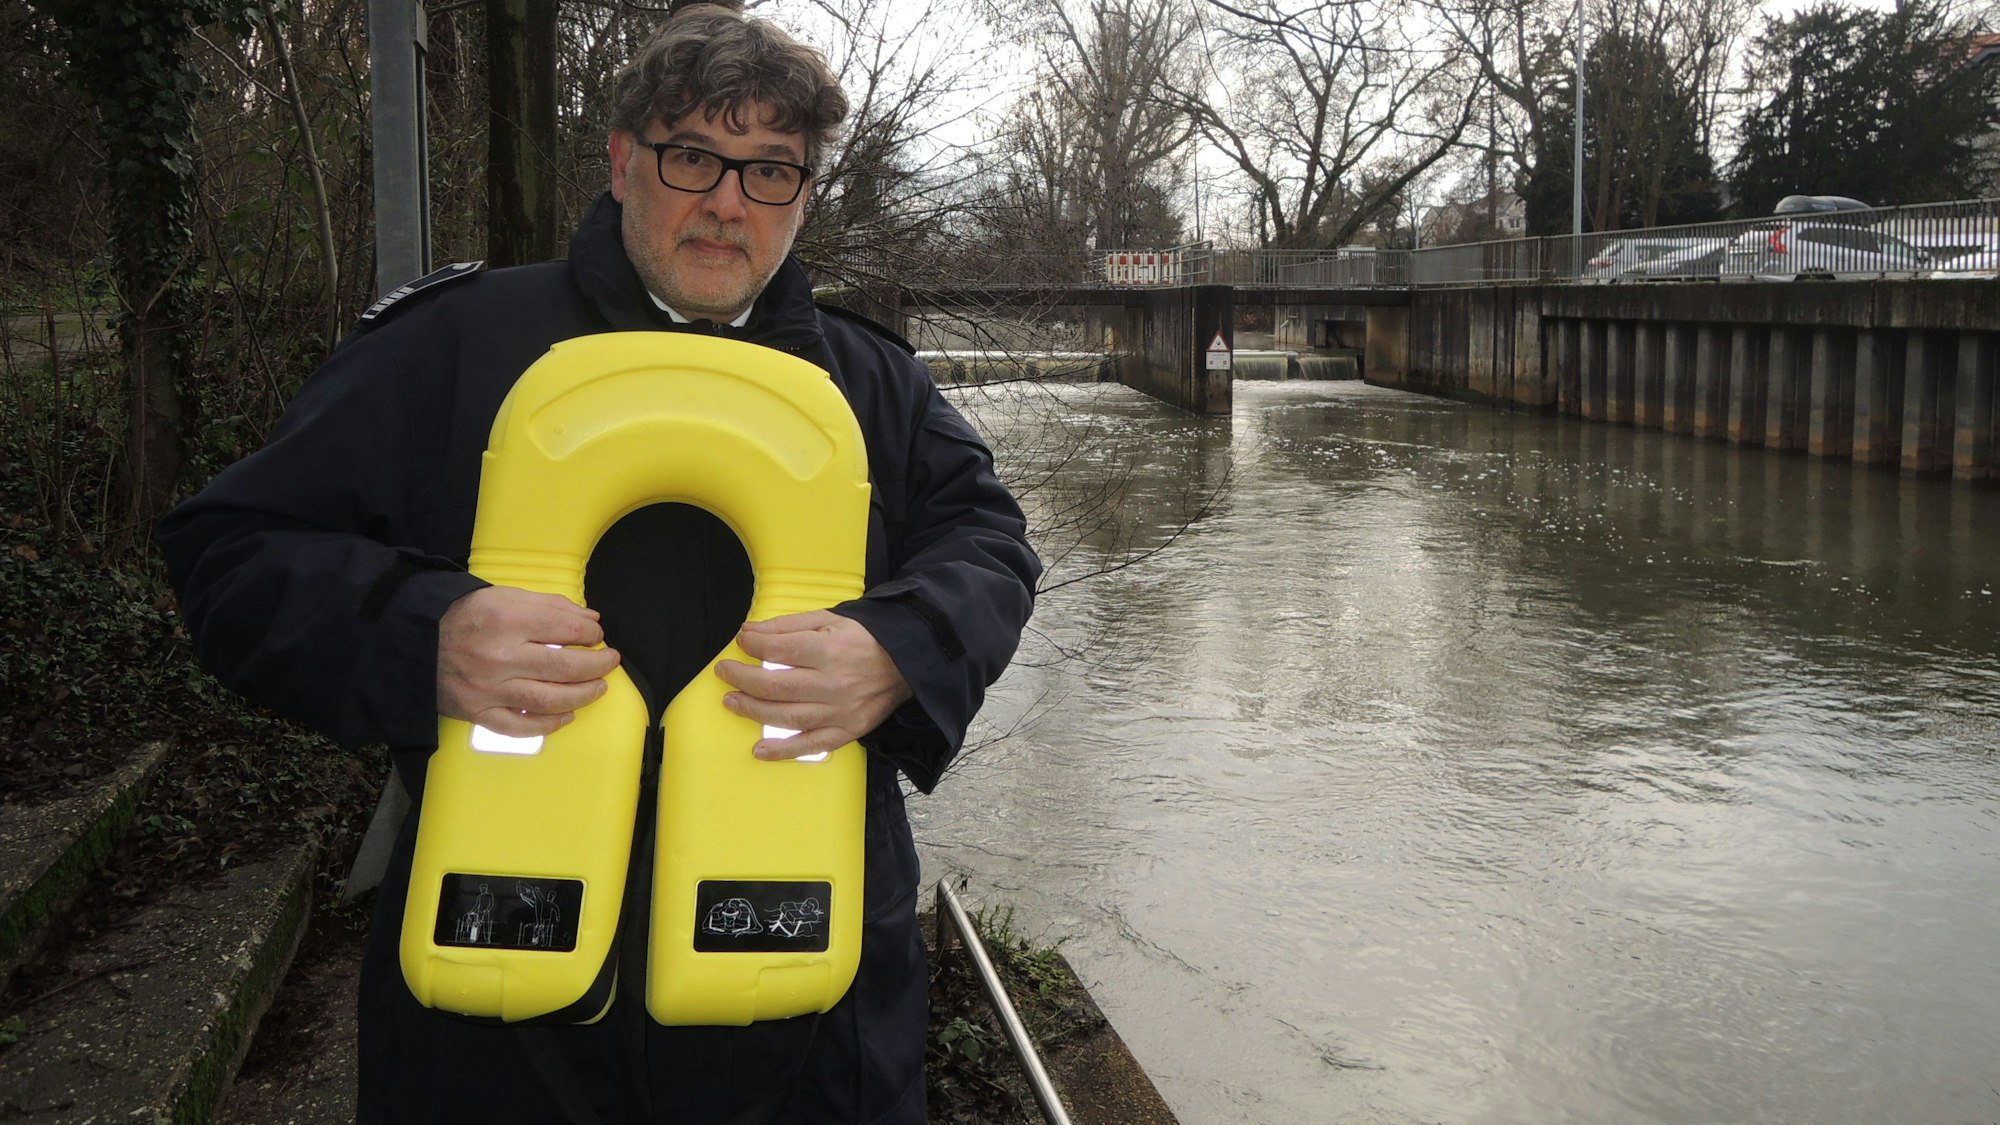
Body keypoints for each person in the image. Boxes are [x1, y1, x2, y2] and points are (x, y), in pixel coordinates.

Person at [155, 6, 1039, 1122]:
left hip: (803, 1030)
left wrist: (900, 650)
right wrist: (416, 631)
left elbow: (991, 547)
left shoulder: (875, 389)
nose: (728, 201)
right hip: (499, 1028)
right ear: (623, 163)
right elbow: (230, 551)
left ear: (805, 197)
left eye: (771, 171)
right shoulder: (452, 345)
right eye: (693, 158)